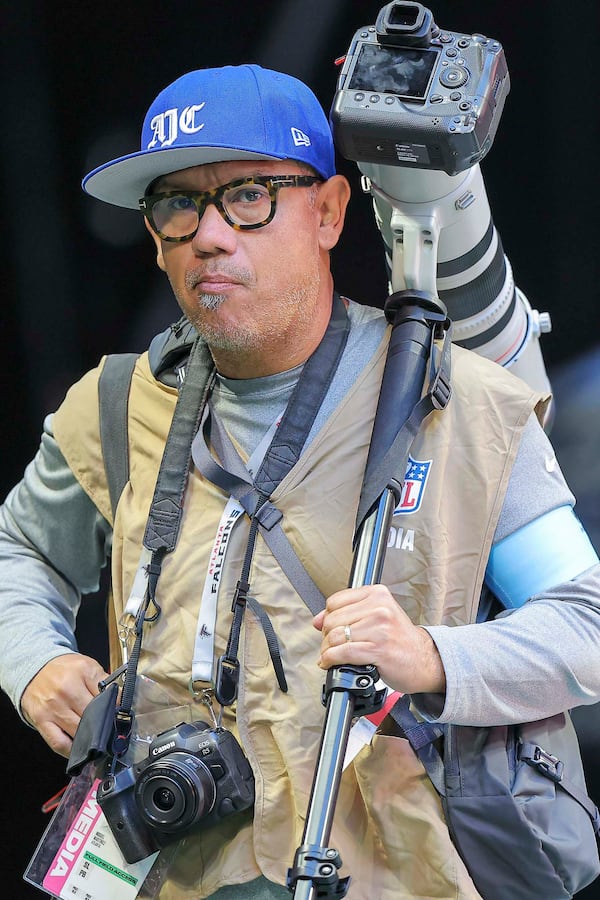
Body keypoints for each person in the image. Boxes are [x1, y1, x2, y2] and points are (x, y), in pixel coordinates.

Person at [0, 64, 599, 900]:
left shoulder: (454, 403)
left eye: (248, 195)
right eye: (177, 203)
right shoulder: (112, 405)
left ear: (328, 213)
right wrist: (30, 660)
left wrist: (431, 656)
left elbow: (589, 625)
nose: (210, 234)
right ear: (155, 234)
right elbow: (18, 549)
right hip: (174, 869)